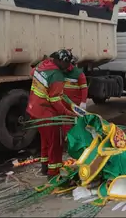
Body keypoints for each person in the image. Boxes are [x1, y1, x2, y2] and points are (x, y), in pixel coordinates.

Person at [26, 49, 76, 177]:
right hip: (45, 112)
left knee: (45, 140)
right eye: (67, 63)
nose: (69, 66)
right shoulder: (57, 75)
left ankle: (45, 167)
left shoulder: (42, 65)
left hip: (34, 109)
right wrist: (68, 113)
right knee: (56, 143)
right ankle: (54, 173)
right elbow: (55, 102)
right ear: (59, 61)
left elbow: (32, 73)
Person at [62, 56, 88, 135]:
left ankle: (77, 140)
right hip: (65, 103)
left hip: (76, 104)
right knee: (66, 124)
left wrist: (83, 102)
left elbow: (84, 88)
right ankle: (68, 139)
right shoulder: (61, 71)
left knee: (77, 123)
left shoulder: (79, 74)